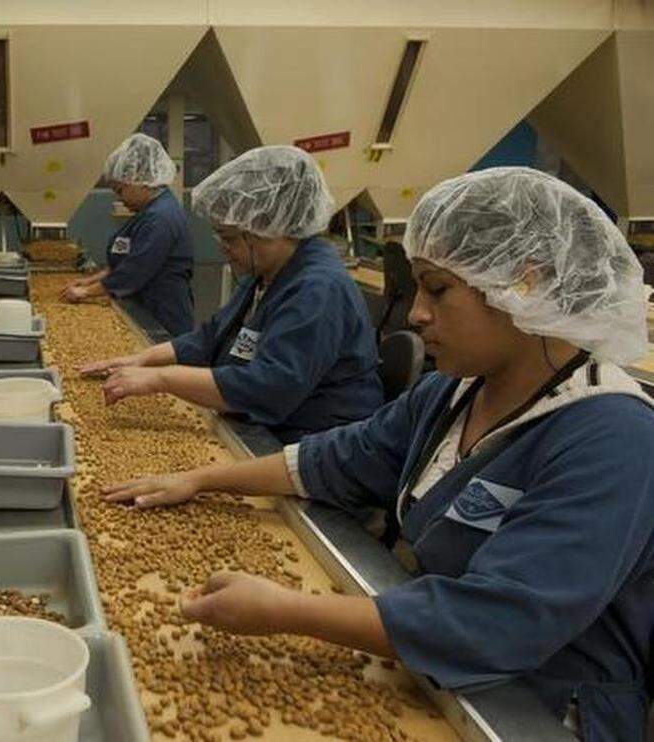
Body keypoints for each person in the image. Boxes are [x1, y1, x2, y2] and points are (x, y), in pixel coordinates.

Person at [102, 168, 654, 740]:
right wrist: (203, 479)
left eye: (437, 289)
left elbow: (498, 621)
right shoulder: (454, 390)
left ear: (525, 285)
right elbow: (343, 456)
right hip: (436, 675)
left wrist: (285, 611)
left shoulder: (613, 438)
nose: (414, 313)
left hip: (544, 711)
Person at [80, 146, 383, 444]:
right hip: (266, 427)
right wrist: (140, 360)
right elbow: (212, 336)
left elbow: (270, 387)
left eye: (229, 237)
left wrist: (163, 380)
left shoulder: (318, 288)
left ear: (272, 227)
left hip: (312, 444)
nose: (222, 248)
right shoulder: (270, 271)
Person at [60, 133, 194, 336]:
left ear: (141, 180)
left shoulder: (161, 218)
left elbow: (134, 270)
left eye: (120, 190)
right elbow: (126, 262)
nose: (119, 198)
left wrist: (86, 292)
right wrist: (89, 281)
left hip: (162, 314)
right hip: (144, 306)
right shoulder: (148, 212)